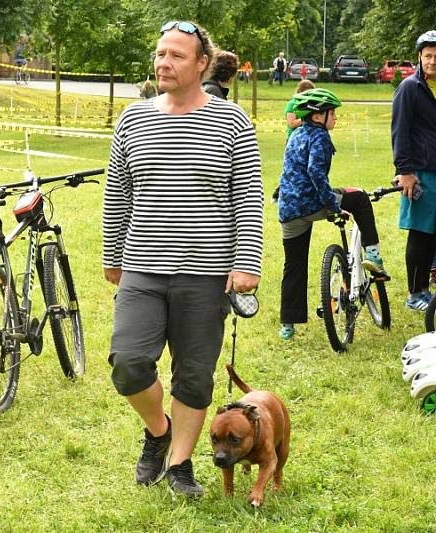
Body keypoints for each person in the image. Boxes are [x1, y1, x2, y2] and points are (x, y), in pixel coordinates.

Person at [103, 21, 263, 496]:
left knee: (193, 376)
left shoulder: (233, 122)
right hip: (142, 269)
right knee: (129, 363)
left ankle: (179, 464)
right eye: (159, 54)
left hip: (207, 274)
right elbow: (118, 194)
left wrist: (246, 261)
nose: (163, 63)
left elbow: (247, 198)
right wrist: (113, 255)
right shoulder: (132, 119)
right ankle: (159, 432)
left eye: (175, 55)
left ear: (201, 63)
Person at [277, 89, 389, 340]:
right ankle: (374, 256)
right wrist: (333, 206)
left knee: (293, 265)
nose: (335, 118)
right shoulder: (320, 137)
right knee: (359, 198)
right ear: (318, 116)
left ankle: (288, 323)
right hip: (312, 202)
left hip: (288, 209)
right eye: (332, 113)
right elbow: (315, 172)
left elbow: (290, 171)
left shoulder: (295, 134)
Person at [391, 30, 436, 311]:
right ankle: (415, 293)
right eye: (428, 56)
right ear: (419, 57)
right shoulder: (410, 87)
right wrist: (404, 170)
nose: (433, 61)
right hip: (420, 172)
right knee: (421, 233)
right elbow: (400, 130)